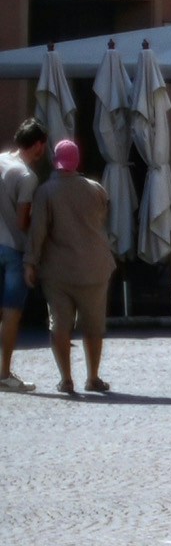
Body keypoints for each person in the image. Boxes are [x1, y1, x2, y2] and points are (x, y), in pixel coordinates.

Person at [31, 137, 115, 398]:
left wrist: (30, 262)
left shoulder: (46, 191)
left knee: (60, 324)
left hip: (58, 270)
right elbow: (101, 218)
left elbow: (38, 232)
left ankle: (66, 379)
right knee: (93, 324)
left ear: (56, 162)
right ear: (77, 162)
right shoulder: (96, 189)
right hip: (94, 267)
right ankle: (93, 377)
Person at [0, 118, 42, 391]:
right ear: (38, 145)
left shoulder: (1, 160)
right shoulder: (28, 177)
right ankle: (4, 372)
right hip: (13, 248)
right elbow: (22, 220)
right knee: (11, 312)